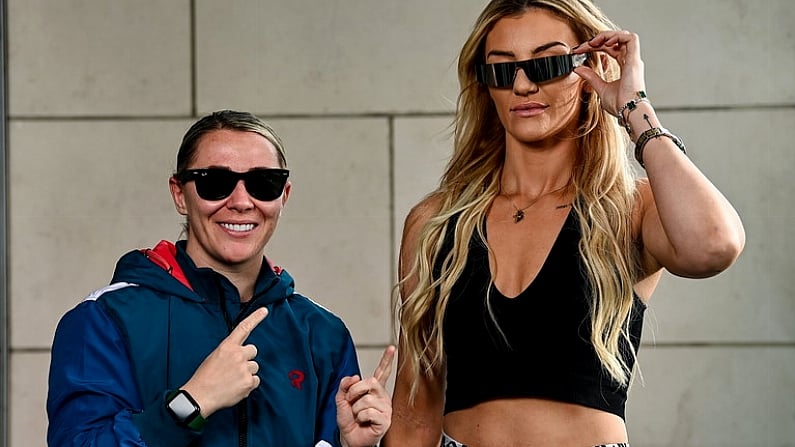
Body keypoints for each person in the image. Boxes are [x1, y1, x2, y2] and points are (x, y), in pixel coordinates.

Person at [383, 1, 745, 446]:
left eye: (549, 64)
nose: (522, 84)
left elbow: (713, 245)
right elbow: (414, 417)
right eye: (501, 70)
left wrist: (634, 107)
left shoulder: (630, 208)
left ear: (589, 68)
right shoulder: (436, 222)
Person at [47, 110, 395, 447]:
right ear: (180, 194)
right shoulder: (104, 320)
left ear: (283, 195)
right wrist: (191, 402)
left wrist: (351, 445)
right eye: (215, 182)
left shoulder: (323, 334)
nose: (242, 201)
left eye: (263, 183)